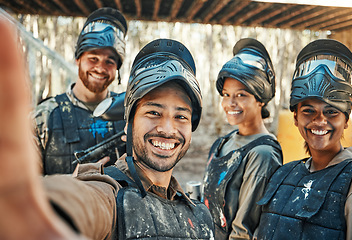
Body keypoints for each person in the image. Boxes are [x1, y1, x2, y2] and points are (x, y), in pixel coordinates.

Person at [0, 26, 214, 239]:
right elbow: (86, 201)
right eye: (153, 112)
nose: (168, 129)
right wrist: (41, 208)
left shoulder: (199, 214)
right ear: (127, 124)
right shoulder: (109, 193)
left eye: (181, 116)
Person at [255, 39, 352, 240]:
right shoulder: (282, 174)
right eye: (308, 111)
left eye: (331, 112)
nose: (319, 121)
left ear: (346, 120)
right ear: (295, 117)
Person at [202, 38, 283, 239]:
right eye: (226, 94)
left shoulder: (262, 154)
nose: (230, 103)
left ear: (260, 99)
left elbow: (243, 232)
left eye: (241, 95)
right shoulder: (224, 142)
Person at [34, 7, 128, 175]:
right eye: (93, 59)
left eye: (110, 61)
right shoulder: (44, 117)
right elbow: (19, 186)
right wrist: (73, 185)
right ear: (78, 60)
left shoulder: (130, 113)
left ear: (117, 69)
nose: (100, 68)